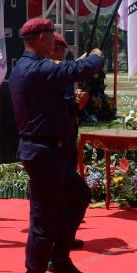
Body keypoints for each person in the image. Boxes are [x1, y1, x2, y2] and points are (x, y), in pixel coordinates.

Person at [8, 18, 103, 273]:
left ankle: (59, 257)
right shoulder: (36, 68)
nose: (54, 42)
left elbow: (52, 104)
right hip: (43, 153)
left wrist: (73, 105)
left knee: (79, 195)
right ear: (39, 39)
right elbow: (75, 69)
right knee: (42, 222)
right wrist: (96, 58)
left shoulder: (30, 68)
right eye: (50, 37)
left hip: (50, 151)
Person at [50, 33, 89, 250]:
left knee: (69, 190)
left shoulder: (65, 73)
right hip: (52, 140)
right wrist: (70, 101)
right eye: (55, 50)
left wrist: (78, 103)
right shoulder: (47, 73)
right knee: (56, 191)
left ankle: (65, 234)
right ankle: (54, 235)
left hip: (69, 135)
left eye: (61, 51)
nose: (58, 54)